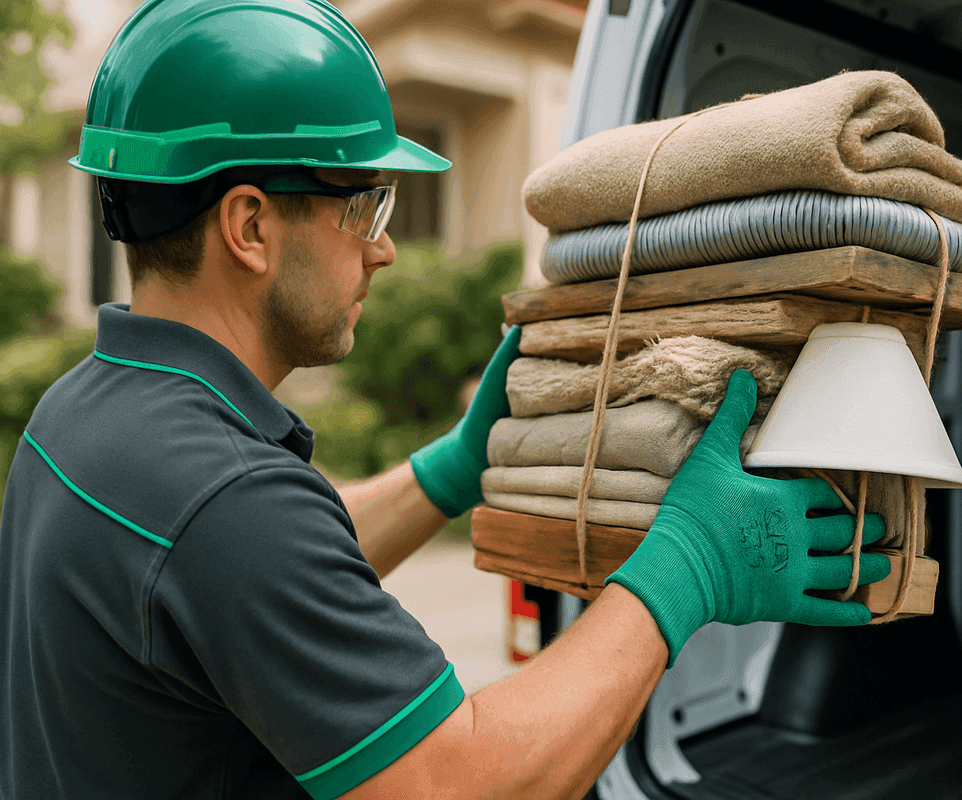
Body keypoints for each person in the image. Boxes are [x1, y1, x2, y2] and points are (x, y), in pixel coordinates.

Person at [0, 1, 890, 798]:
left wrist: (451, 470)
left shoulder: (79, 416)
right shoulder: (223, 499)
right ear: (250, 226)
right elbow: (464, 784)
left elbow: (242, 578)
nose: (382, 251)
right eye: (364, 207)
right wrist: (689, 566)